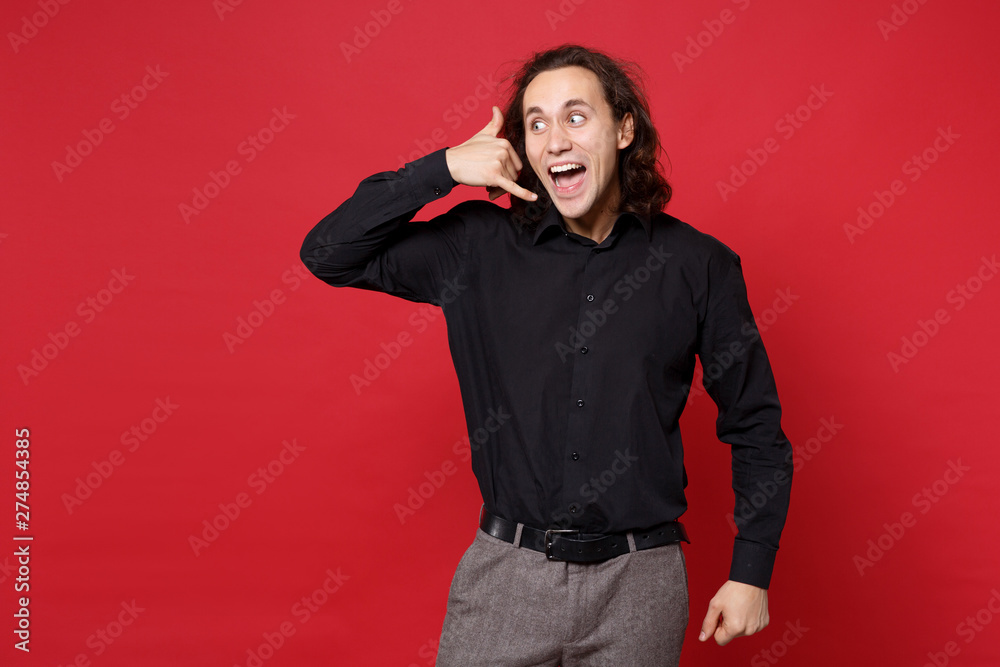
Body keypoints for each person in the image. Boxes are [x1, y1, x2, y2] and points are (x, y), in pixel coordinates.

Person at [300, 43, 793, 666]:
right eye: (536, 123)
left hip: (640, 587)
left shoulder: (701, 266)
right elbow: (327, 252)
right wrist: (444, 168)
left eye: (575, 116)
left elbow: (756, 427)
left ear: (624, 129)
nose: (555, 139)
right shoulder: (476, 246)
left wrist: (752, 569)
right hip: (506, 577)